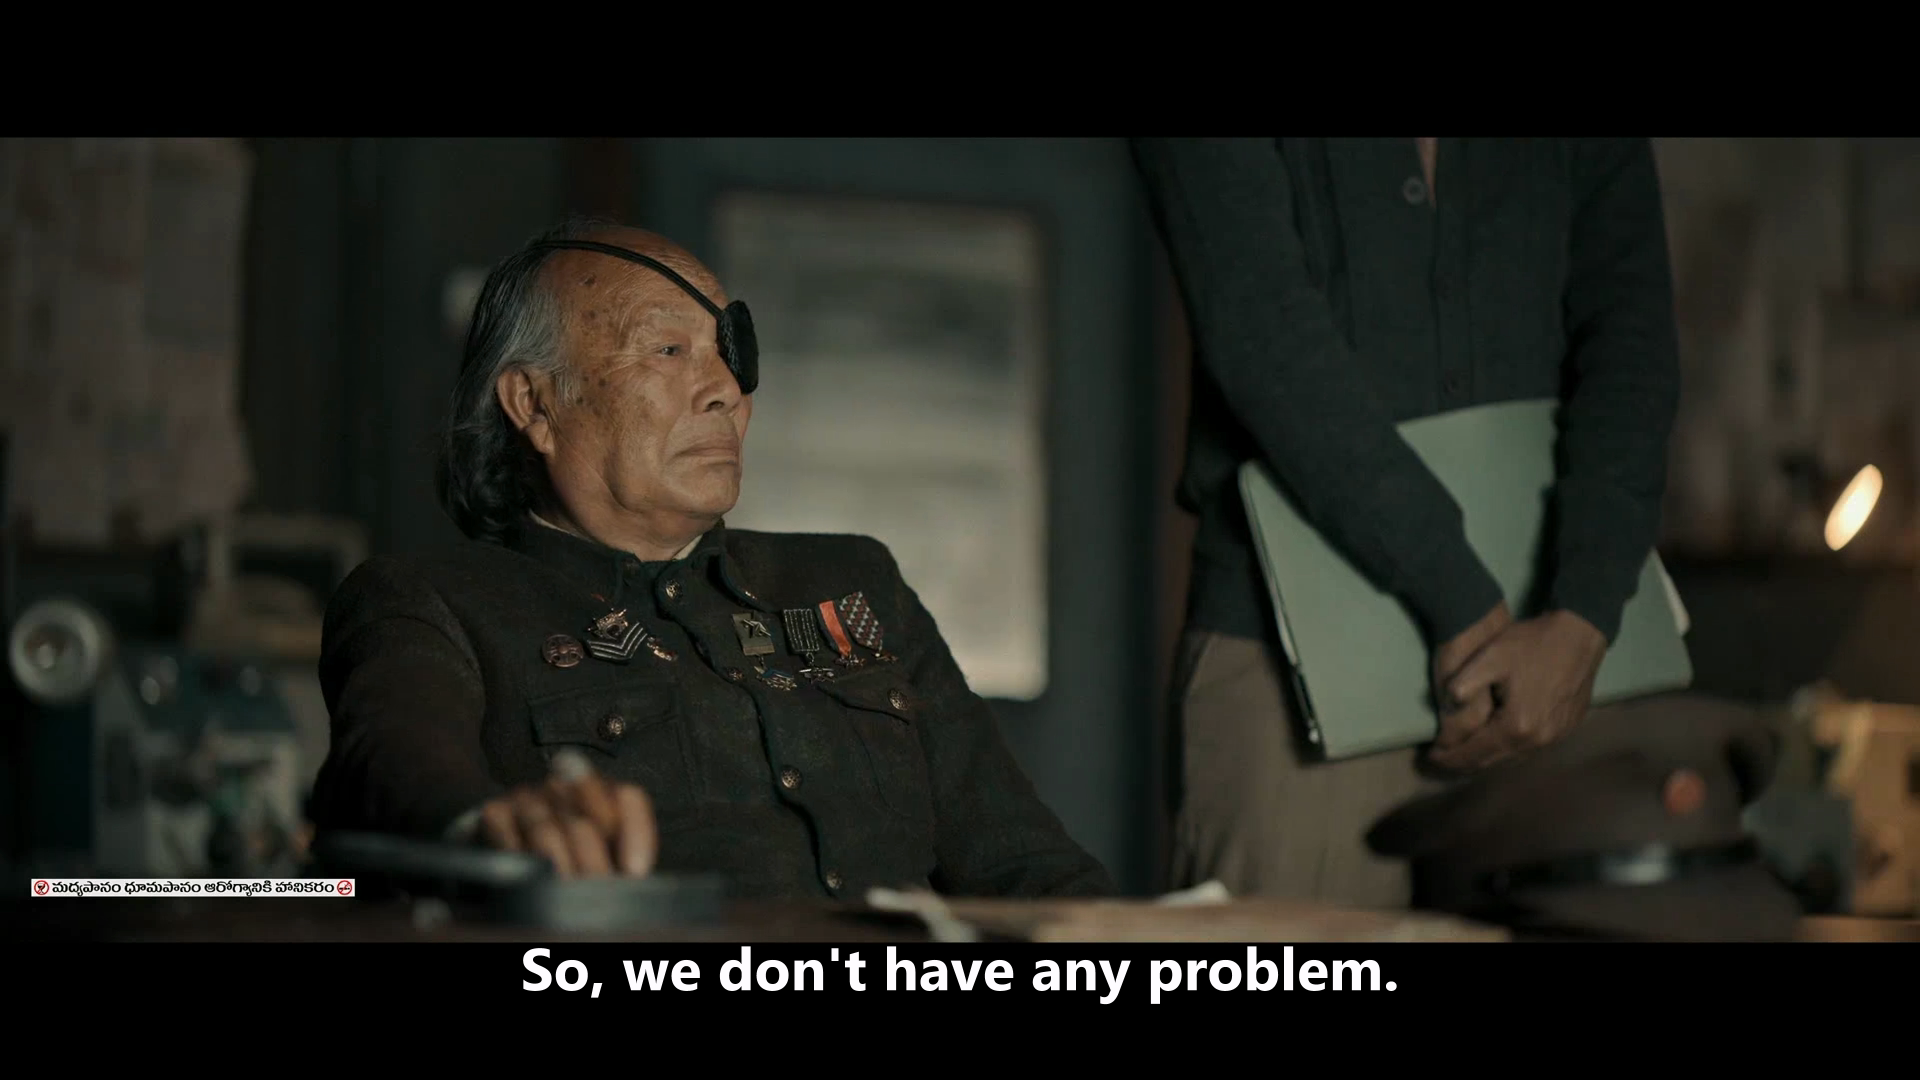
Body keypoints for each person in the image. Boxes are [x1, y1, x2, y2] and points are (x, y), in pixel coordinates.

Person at [307, 218, 1113, 899]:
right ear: (534, 403)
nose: (726, 388)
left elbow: (1028, 867)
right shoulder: (432, 601)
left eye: (730, 350)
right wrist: (490, 825)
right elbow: (395, 768)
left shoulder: (853, 582)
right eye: (667, 350)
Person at [1131, 138, 1681, 906]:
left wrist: (1586, 612)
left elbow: (1631, 333)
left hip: (1558, 672)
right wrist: (1453, 589)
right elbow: (1260, 326)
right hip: (1294, 669)